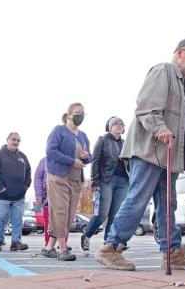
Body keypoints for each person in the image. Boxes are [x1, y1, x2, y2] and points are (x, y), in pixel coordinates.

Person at [96, 37, 185, 271]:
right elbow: (145, 108)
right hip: (149, 151)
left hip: (168, 156)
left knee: (168, 205)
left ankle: (172, 252)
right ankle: (111, 248)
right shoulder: (163, 71)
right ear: (178, 54)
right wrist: (161, 129)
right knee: (137, 199)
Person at [42, 102, 92, 261]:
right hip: (59, 176)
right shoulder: (59, 130)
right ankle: (62, 249)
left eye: (83, 113)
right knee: (60, 211)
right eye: (78, 112)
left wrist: (86, 157)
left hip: (76, 178)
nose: (81, 115)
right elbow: (50, 151)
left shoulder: (83, 135)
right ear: (69, 114)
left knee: (69, 215)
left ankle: (49, 247)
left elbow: (89, 157)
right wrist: (71, 161)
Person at [81, 116, 129, 252]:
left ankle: (109, 245)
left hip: (123, 182)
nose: (119, 126)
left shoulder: (125, 143)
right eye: (116, 124)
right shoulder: (102, 140)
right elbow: (95, 160)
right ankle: (87, 235)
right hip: (106, 180)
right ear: (109, 126)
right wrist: (95, 181)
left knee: (115, 215)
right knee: (102, 214)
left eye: (121, 124)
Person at [0, 132, 32, 251]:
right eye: (13, 139)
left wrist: (25, 187)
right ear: (7, 140)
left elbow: (28, 172)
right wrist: (1, 188)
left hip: (18, 196)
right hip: (1, 196)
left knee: (17, 220)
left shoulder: (22, 156)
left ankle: (16, 242)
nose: (16, 142)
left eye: (18, 140)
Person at [34, 157, 68, 247]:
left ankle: (63, 244)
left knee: (65, 219)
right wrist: (38, 195)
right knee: (48, 221)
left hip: (64, 194)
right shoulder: (44, 161)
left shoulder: (67, 159)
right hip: (48, 196)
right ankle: (48, 244)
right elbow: (38, 178)